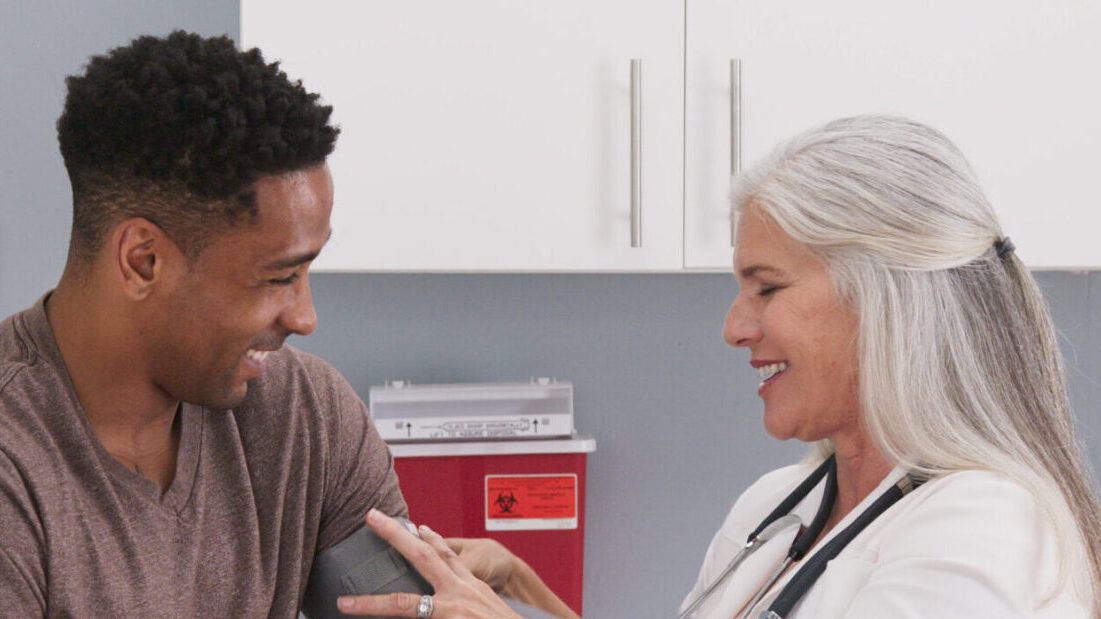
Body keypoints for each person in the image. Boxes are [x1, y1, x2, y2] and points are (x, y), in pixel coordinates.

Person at [336, 116, 1101, 619]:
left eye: (765, 288)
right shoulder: (778, 505)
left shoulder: (986, 526)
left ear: (885, 299)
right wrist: (519, 584)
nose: (734, 327)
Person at [0, 31, 407, 616]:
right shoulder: (17, 460)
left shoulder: (309, 419)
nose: (305, 316)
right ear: (144, 261)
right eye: (276, 278)